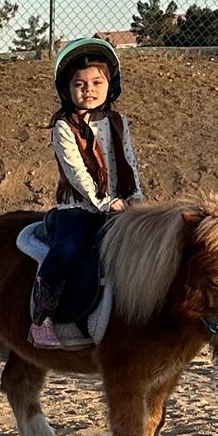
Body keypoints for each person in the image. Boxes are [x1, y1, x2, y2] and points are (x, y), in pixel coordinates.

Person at [29, 38, 142, 347]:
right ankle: (43, 317)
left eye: (96, 82)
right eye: (79, 84)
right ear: (67, 89)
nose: (88, 89)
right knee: (69, 248)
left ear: (110, 85)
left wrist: (136, 199)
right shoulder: (64, 126)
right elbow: (76, 171)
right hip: (79, 208)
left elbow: (130, 161)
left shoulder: (120, 122)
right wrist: (104, 202)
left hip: (118, 206)